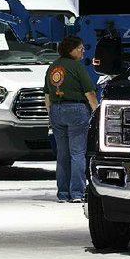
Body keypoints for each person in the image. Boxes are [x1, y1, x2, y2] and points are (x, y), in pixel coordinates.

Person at [44, 36, 99, 203]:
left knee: (62, 154)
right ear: (71, 50)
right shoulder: (77, 67)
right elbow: (89, 93)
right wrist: (97, 112)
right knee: (77, 153)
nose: (83, 51)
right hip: (76, 110)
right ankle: (77, 193)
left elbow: (46, 94)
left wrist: (51, 114)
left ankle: (62, 193)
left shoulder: (52, 67)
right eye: (80, 48)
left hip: (56, 110)